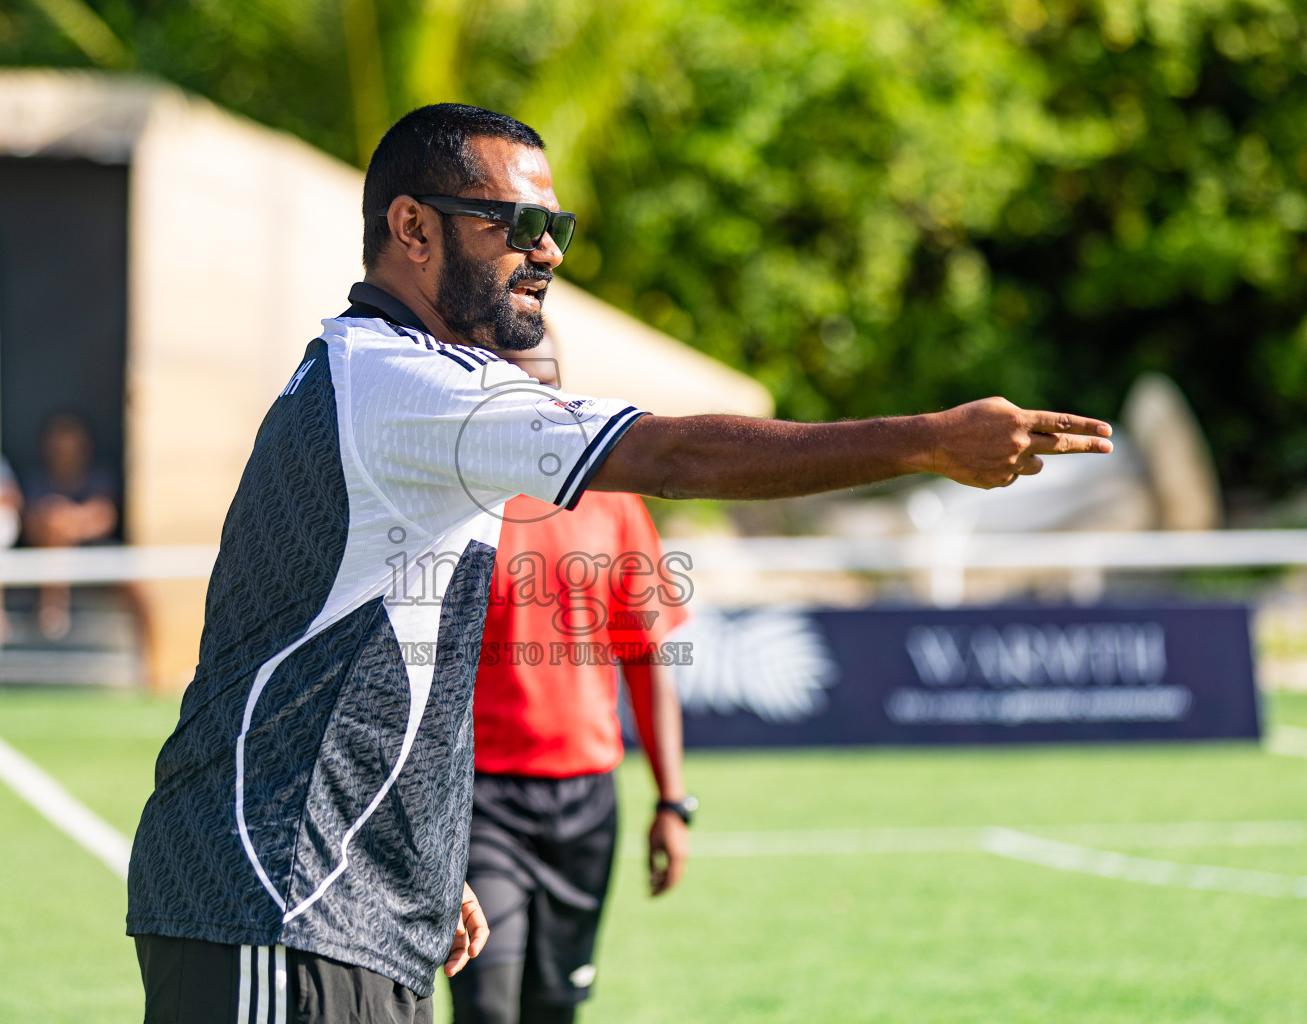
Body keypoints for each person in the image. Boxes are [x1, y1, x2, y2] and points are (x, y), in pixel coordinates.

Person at [126, 102, 1112, 1024]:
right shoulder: (399, 382)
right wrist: (928, 441)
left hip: (339, 899)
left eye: (555, 222)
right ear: (413, 229)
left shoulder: (390, 378)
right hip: (272, 896)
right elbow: (676, 456)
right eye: (511, 221)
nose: (545, 248)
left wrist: (419, 855)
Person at [450, 334, 691, 1024]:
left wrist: (673, 802)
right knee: (488, 1005)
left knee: (554, 1009)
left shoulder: (613, 502)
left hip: (587, 803)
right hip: (479, 798)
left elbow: (647, 659)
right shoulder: (452, 500)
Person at [21, 412, 119, 639]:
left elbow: (105, 517)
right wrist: (64, 521)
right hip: (45, 552)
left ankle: (153, 670)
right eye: (60, 450)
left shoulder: (99, 476)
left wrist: (70, 519)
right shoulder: (37, 478)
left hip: (97, 555)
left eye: (72, 449)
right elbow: (31, 523)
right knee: (56, 528)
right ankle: (53, 607)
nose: (66, 456)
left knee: (141, 589)